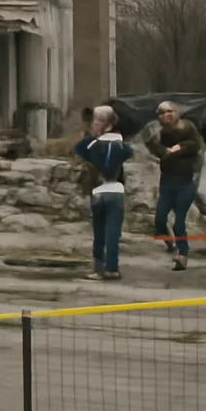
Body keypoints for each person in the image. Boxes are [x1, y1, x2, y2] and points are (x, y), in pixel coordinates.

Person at [74, 106, 134, 281]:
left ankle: (98, 268)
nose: (94, 124)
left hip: (98, 191)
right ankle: (112, 268)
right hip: (116, 191)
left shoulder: (93, 144)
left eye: (96, 121)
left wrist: (93, 137)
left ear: (105, 125)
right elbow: (128, 153)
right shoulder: (121, 146)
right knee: (113, 233)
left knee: (99, 232)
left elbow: (79, 149)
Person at [146, 101, 203, 271]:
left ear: (176, 112)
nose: (166, 115)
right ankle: (169, 243)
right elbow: (159, 152)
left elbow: (195, 145)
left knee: (179, 222)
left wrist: (176, 150)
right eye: (162, 113)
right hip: (168, 181)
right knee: (160, 219)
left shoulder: (187, 127)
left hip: (186, 182)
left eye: (169, 111)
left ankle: (182, 255)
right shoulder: (159, 133)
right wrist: (164, 150)